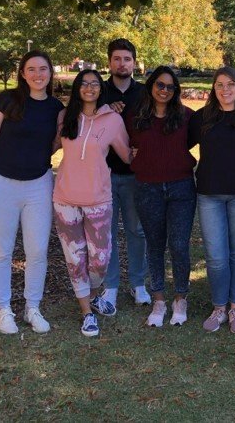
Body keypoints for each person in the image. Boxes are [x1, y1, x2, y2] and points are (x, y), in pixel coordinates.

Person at [0, 50, 64, 334]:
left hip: (39, 184)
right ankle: (3, 310)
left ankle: (32, 307)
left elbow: (56, 144)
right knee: (1, 251)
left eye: (43, 69)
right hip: (0, 182)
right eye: (32, 69)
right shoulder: (6, 101)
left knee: (37, 251)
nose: (38, 74)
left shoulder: (56, 108)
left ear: (50, 73)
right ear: (23, 73)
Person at [53, 69, 132, 337]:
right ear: (77, 88)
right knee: (75, 258)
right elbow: (50, 147)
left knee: (100, 258)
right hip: (65, 199)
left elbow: (127, 155)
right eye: (84, 84)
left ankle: (95, 293)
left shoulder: (112, 121)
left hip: (99, 199)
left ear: (101, 89)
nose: (89, 88)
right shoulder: (65, 117)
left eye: (95, 84)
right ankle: (87, 312)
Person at [189, 67, 235, 333]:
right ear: (213, 88)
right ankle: (219, 307)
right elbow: (178, 144)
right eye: (220, 85)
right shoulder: (202, 118)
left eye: (231, 84)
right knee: (216, 256)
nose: (225, 90)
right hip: (209, 196)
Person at [127, 66, 196, 327]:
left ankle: (180, 297)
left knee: (179, 245)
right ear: (151, 86)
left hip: (181, 188)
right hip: (147, 188)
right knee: (154, 245)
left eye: (170, 87)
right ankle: (158, 299)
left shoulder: (186, 117)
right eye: (160, 85)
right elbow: (124, 142)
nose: (164, 90)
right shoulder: (135, 117)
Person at [101, 38, 150, 311]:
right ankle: (110, 286)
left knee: (136, 230)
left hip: (135, 174)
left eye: (127, 59)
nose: (122, 64)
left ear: (134, 62)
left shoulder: (144, 93)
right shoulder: (98, 91)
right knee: (106, 233)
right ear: (110, 62)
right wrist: (105, 110)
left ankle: (138, 282)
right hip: (103, 174)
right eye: (117, 59)